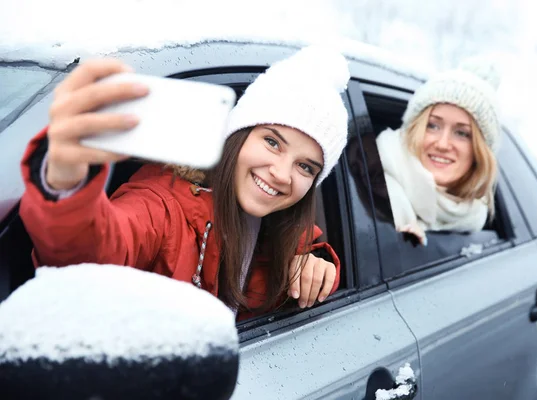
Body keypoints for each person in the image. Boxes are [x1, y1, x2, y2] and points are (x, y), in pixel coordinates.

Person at [18, 45, 350, 320]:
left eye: (305, 167)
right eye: (272, 142)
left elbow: (306, 249)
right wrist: (66, 182)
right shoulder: (165, 205)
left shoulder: (285, 236)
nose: (281, 173)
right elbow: (91, 255)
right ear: (237, 135)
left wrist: (316, 266)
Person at [376, 58, 500, 246]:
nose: (443, 144)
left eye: (462, 133)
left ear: (479, 153)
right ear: (414, 130)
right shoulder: (369, 177)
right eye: (432, 126)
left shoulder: (472, 217)